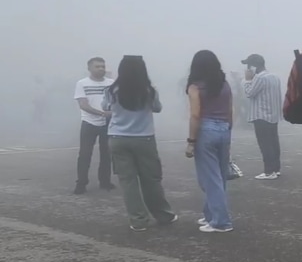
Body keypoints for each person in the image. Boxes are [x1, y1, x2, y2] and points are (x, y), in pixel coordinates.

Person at [102, 55, 177, 231]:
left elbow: (105, 107)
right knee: (151, 179)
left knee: (128, 181)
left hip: (118, 138)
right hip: (144, 138)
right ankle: (163, 215)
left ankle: (138, 220)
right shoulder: (149, 90)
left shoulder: (111, 90)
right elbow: (157, 108)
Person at [184, 50, 235, 233]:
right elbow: (230, 111)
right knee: (219, 177)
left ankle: (221, 221)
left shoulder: (195, 87)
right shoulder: (225, 85)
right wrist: (228, 130)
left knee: (210, 178)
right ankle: (210, 214)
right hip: (223, 129)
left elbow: (195, 115)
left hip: (206, 131)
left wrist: (191, 141)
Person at [73, 57, 115, 195]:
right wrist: (102, 113)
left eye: (103, 66)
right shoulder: (82, 83)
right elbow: (83, 104)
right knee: (85, 154)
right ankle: (81, 183)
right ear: (89, 68)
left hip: (107, 124)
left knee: (106, 154)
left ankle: (105, 181)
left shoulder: (111, 84)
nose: (101, 69)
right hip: (89, 123)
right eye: (97, 66)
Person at [241, 54, 284, 180]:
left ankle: (269, 171)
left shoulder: (260, 78)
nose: (248, 69)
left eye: (249, 66)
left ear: (254, 66)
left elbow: (249, 93)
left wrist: (247, 80)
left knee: (265, 144)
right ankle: (276, 169)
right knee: (274, 143)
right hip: (273, 115)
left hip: (261, 115)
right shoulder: (274, 77)